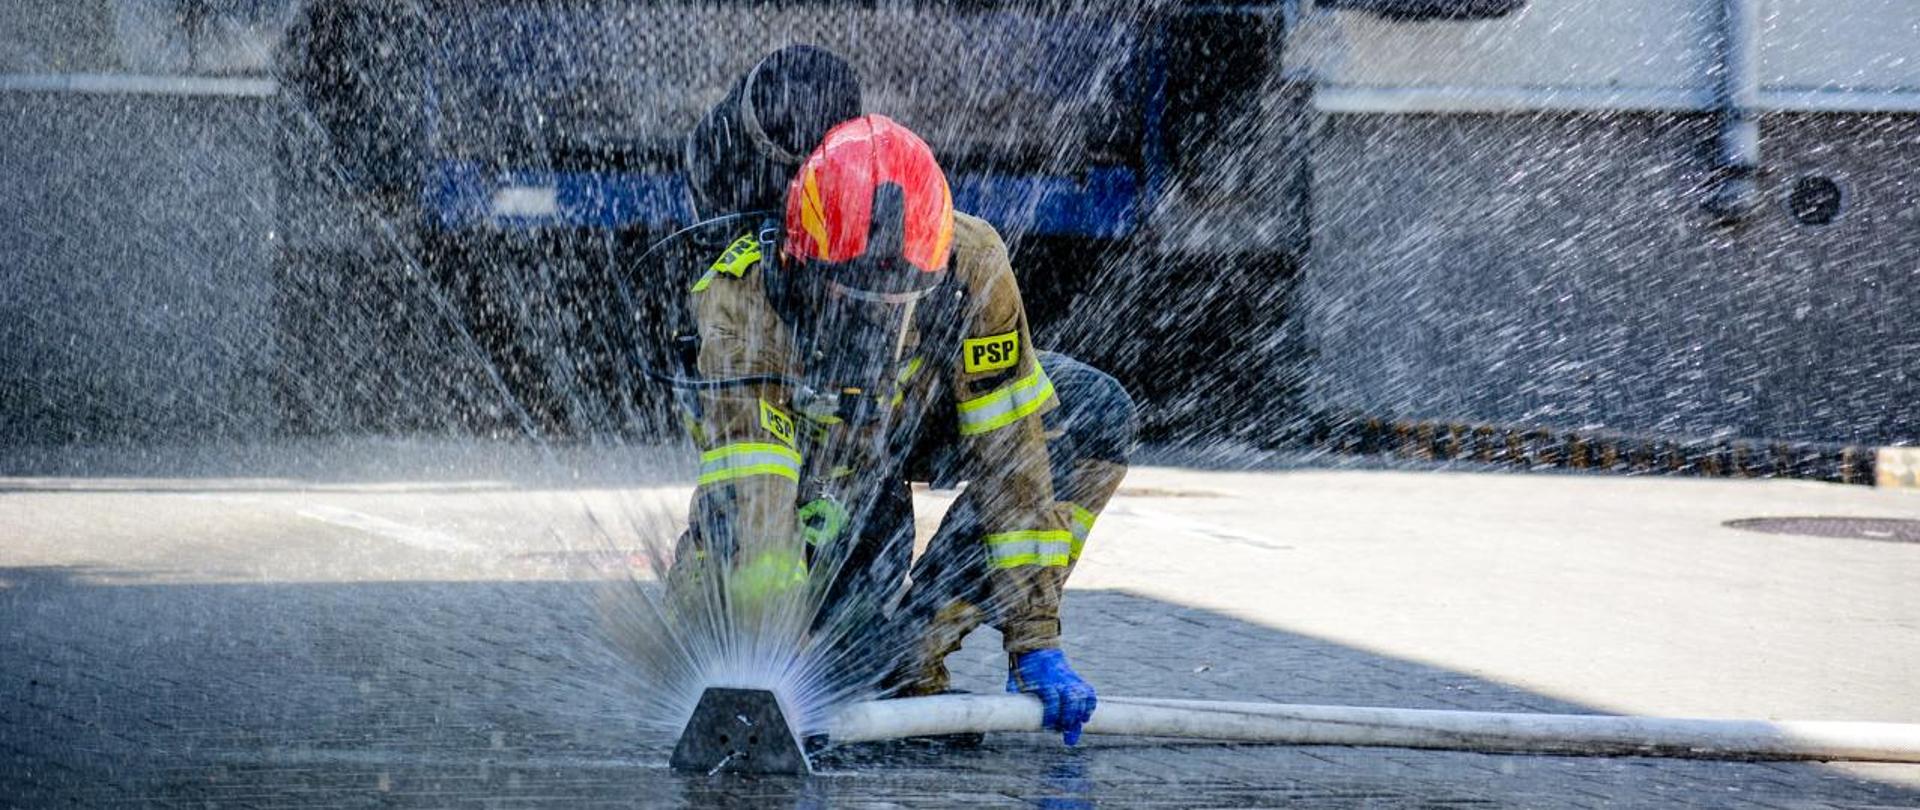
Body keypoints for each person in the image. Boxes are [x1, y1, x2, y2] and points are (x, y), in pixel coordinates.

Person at [672, 61, 1135, 747]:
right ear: (801, 257)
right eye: (852, 296)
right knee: (787, 608)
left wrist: (1034, 637)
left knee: (1093, 415)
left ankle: (913, 653)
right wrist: (774, 665)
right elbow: (760, 496)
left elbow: (1013, 458)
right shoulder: (741, 298)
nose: (874, 322)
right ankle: (821, 648)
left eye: (897, 303)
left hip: (907, 421)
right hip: (807, 463)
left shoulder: (971, 263)